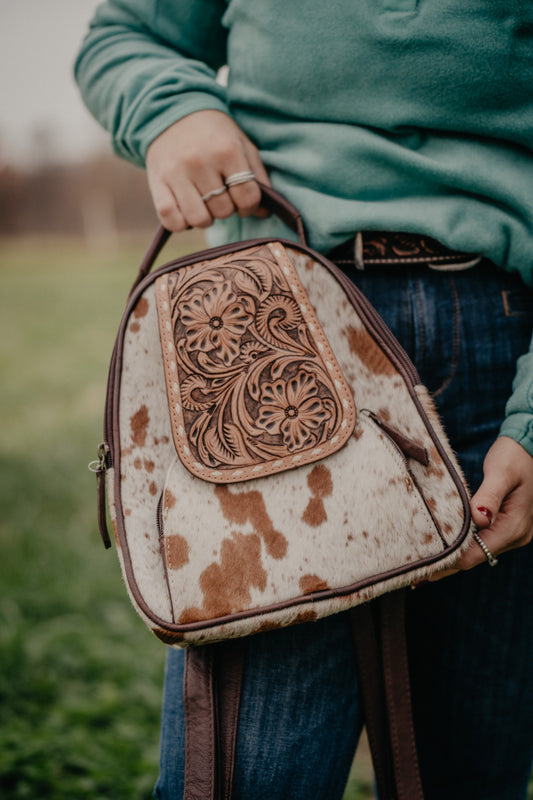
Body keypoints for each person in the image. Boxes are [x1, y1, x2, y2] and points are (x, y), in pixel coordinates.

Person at [75, 2, 533, 798]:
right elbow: (125, 35)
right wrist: (173, 109)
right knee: (244, 778)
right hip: (267, 332)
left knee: (473, 776)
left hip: (505, 351)